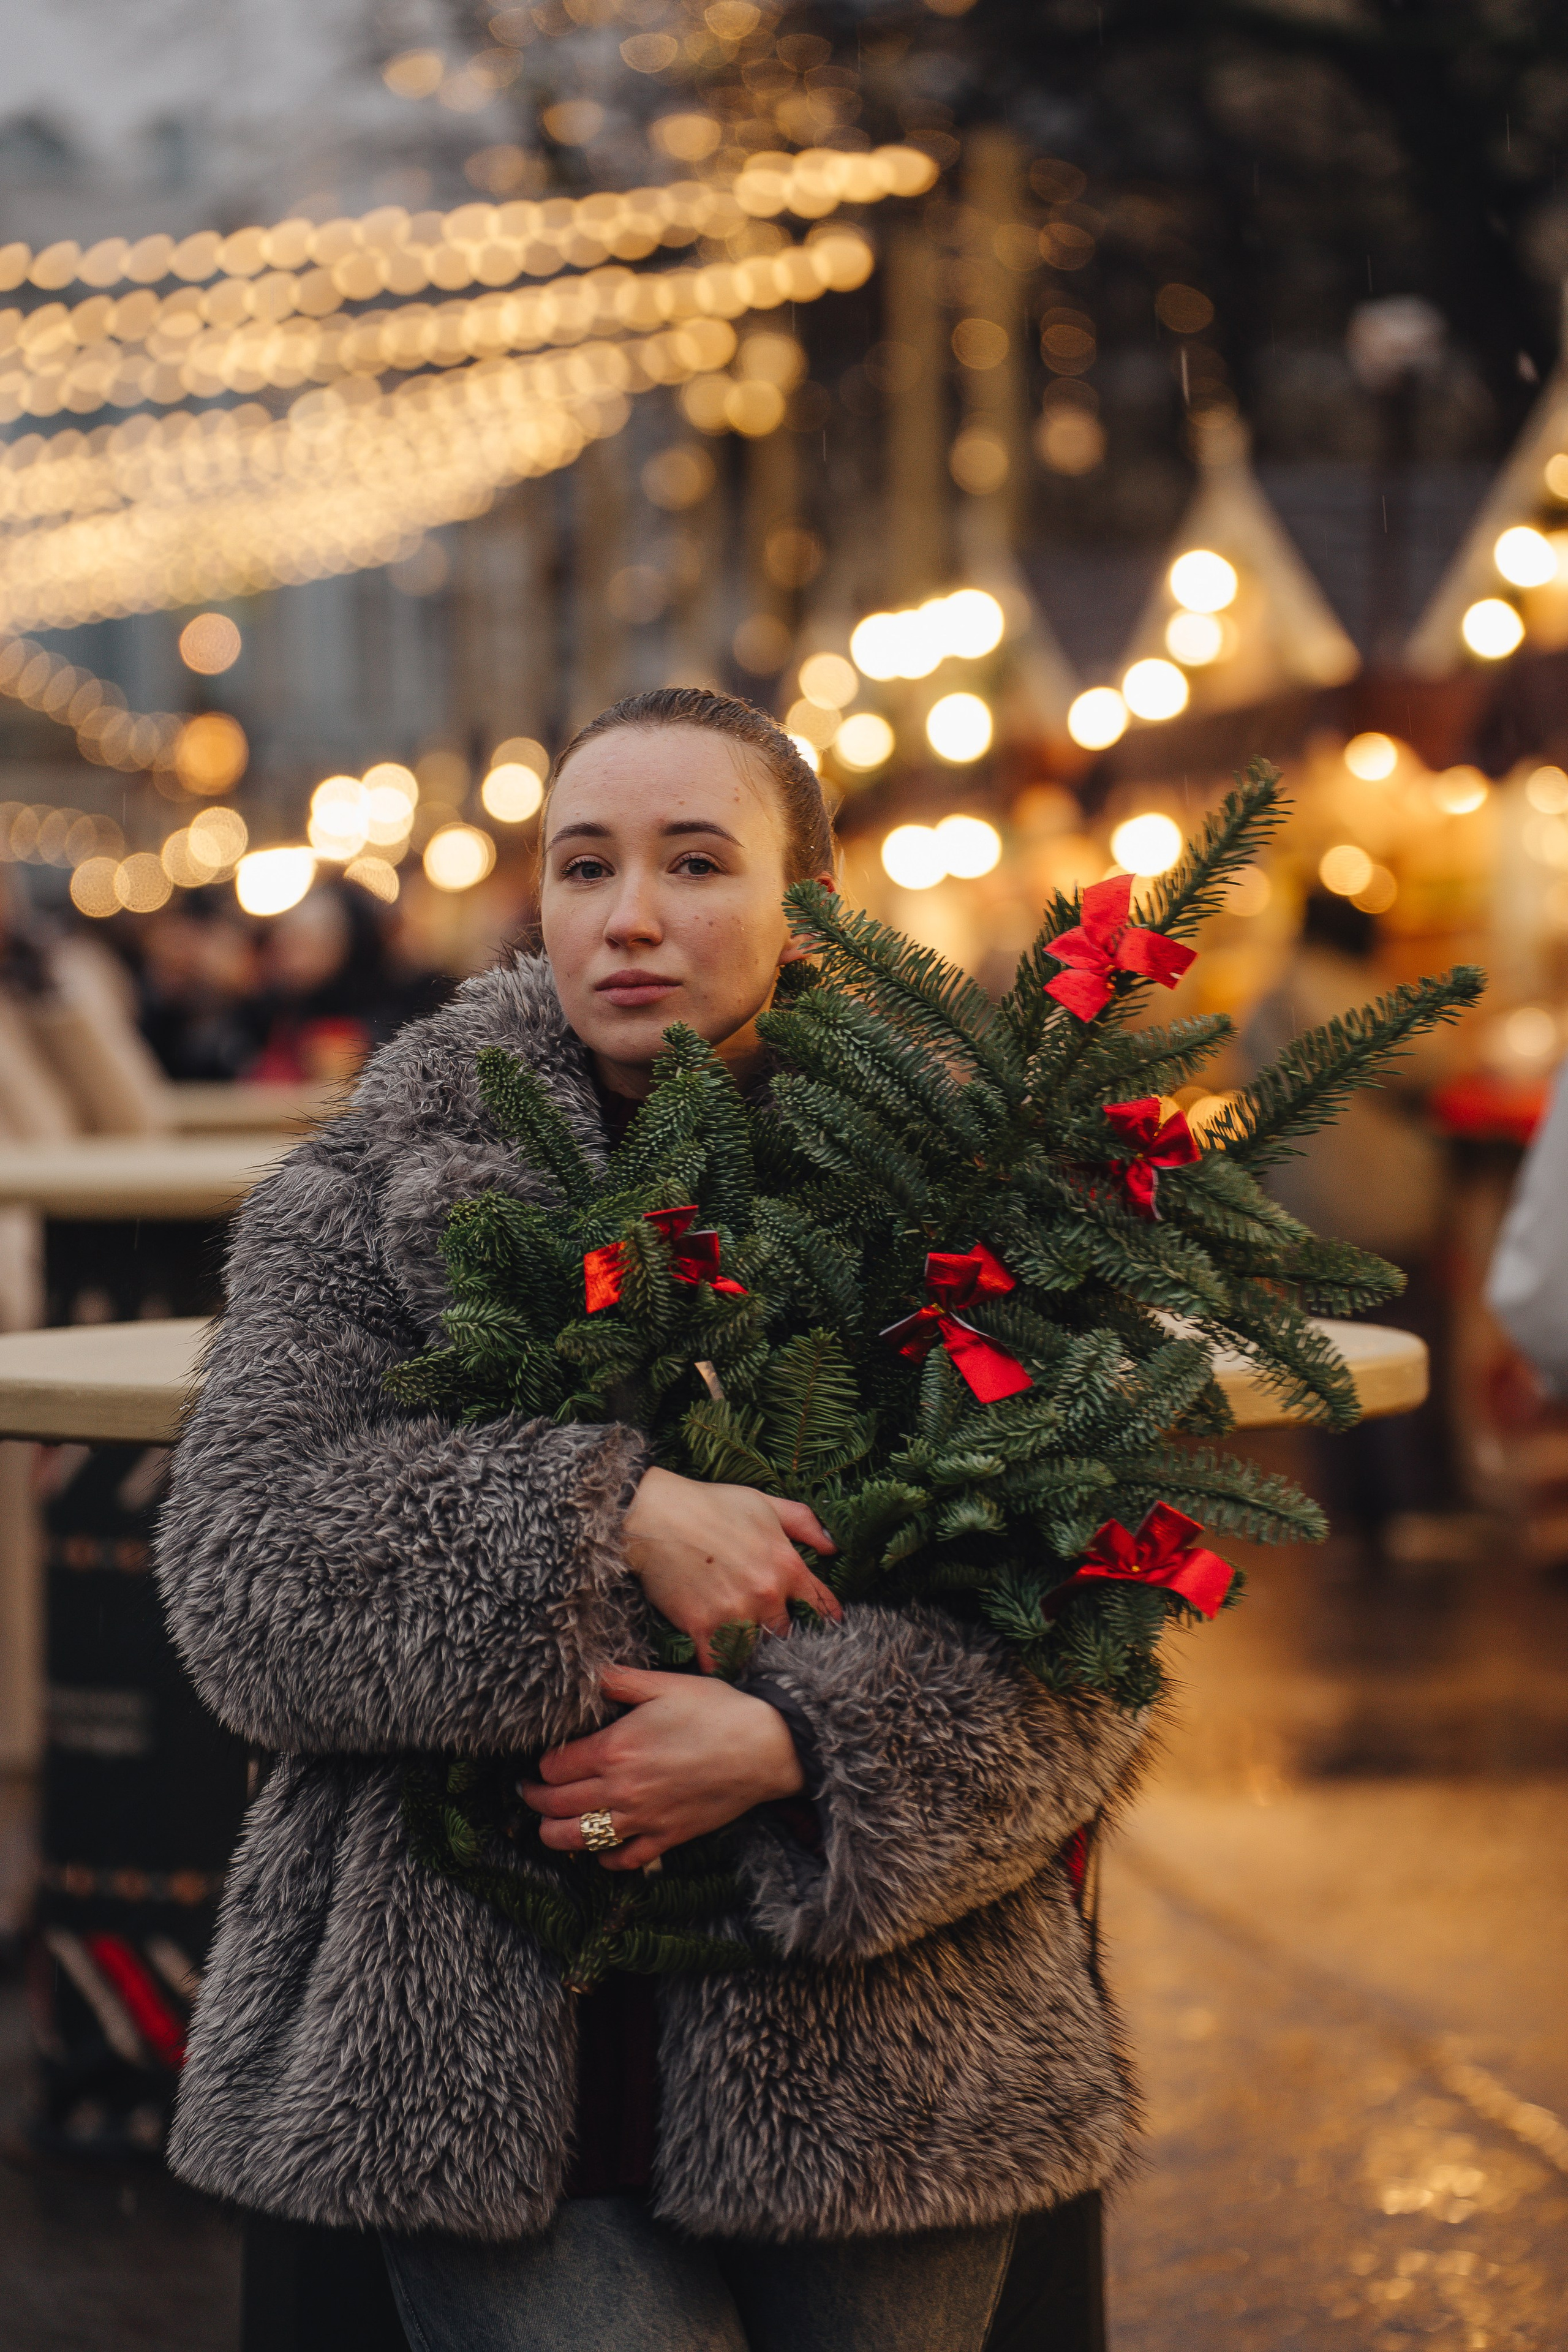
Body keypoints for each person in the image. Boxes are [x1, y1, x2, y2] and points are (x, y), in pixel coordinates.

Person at [155, 687, 1144, 2352]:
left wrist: (805, 1751)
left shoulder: (960, 1208)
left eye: (695, 864)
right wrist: (599, 1518)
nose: (630, 918)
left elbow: (1093, 1621)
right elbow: (240, 1571)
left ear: (801, 902)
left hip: (890, 2053)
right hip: (461, 2030)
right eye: (584, 866)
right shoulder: (374, 1189)